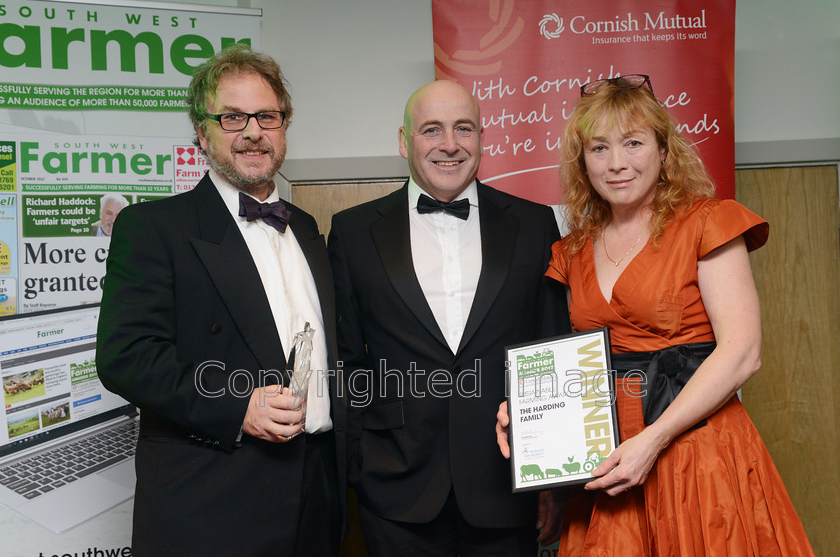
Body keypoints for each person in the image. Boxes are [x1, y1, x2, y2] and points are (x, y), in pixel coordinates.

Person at [496, 74, 814, 556]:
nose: (617, 163)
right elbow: (573, 364)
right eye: (599, 148)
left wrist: (654, 440)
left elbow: (743, 353)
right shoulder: (573, 250)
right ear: (583, 162)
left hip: (695, 450)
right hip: (610, 461)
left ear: (664, 151)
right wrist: (525, 414)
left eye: (633, 143)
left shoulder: (707, 221)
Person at [96, 44, 346, 557]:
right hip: (211, 507)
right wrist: (237, 407)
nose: (253, 131)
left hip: (316, 497)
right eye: (232, 116)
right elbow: (126, 358)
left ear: (283, 126)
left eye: (267, 116)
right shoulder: (152, 228)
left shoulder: (307, 228)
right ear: (201, 132)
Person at [328, 80, 571, 556]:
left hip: (506, 484)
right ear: (404, 142)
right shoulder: (353, 231)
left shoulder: (535, 224)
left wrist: (552, 479)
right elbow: (345, 360)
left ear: (483, 137)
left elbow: (550, 351)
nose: (449, 144)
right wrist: (359, 462)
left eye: (464, 128)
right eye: (431, 129)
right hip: (395, 489)